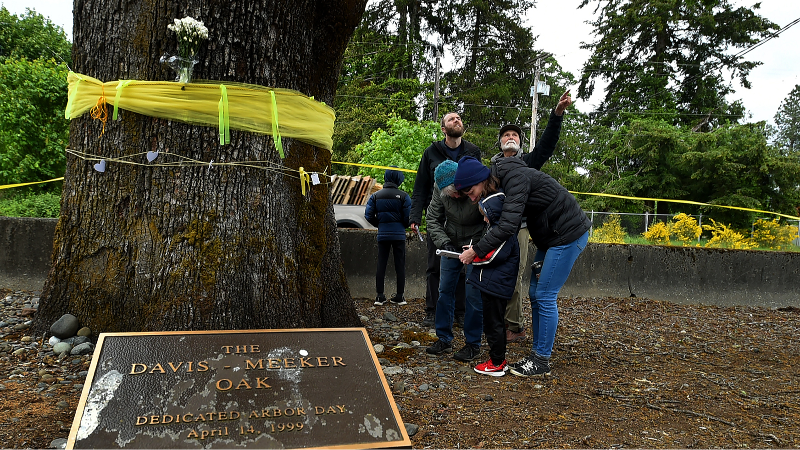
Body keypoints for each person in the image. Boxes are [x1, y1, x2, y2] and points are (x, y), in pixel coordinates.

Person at [454, 155, 591, 377]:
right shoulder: (503, 181)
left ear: (480, 180)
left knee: (546, 295)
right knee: (535, 292)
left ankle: (541, 360)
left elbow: (508, 226)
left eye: (471, 192)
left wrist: (476, 251)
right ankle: (538, 350)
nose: (472, 199)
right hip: (550, 238)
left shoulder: (514, 179)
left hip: (568, 234)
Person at [491, 90, 573, 344]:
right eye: (506, 134)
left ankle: (515, 326)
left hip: (521, 227)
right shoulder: (491, 168)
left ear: (520, 142)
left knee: (515, 274)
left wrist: (557, 114)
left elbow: (547, 145)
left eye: (515, 135)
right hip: (496, 227)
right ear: (500, 142)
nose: (511, 137)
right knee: (494, 272)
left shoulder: (527, 162)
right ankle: (497, 321)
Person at [410, 112, 481, 327]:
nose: (456, 121)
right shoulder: (431, 152)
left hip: (468, 218)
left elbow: (479, 184)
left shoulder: (473, 151)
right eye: (451, 119)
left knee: (463, 267)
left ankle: (460, 311)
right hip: (441, 217)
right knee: (435, 267)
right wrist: (415, 215)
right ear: (443, 129)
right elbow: (420, 186)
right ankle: (433, 310)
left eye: (459, 118)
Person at [424, 160, 485, 362]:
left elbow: (491, 218)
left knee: (473, 295)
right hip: (450, 243)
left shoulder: (475, 185)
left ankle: (473, 343)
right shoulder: (440, 188)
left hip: (475, 245)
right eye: (452, 195)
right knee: (444, 291)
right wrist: (444, 242)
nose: (457, 196)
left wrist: (478, 246)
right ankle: (443, 337)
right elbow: (432, 218)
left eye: (459, 192)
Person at [469, 190, 520, 376]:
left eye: (486, 216)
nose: (484, 220)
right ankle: (497, 359)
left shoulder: (504, 233)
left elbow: (493, 257)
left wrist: (472, 256)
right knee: (492, 323)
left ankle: (497, 362)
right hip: (492, 284)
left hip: (497, 286)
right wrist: (475, 250)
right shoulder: (495, 230)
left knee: (494, 324)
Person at [364, 167, 412, 306]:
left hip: (383, 234)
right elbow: (407, 217)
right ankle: (400, 296)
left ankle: (380, 296)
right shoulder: (404, 196)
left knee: (381, 264)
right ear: (398, 179)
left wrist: (380, 224)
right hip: (399, 235)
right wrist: (402, 225)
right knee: (400, 265)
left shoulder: (376, 196)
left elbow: (368, 215)